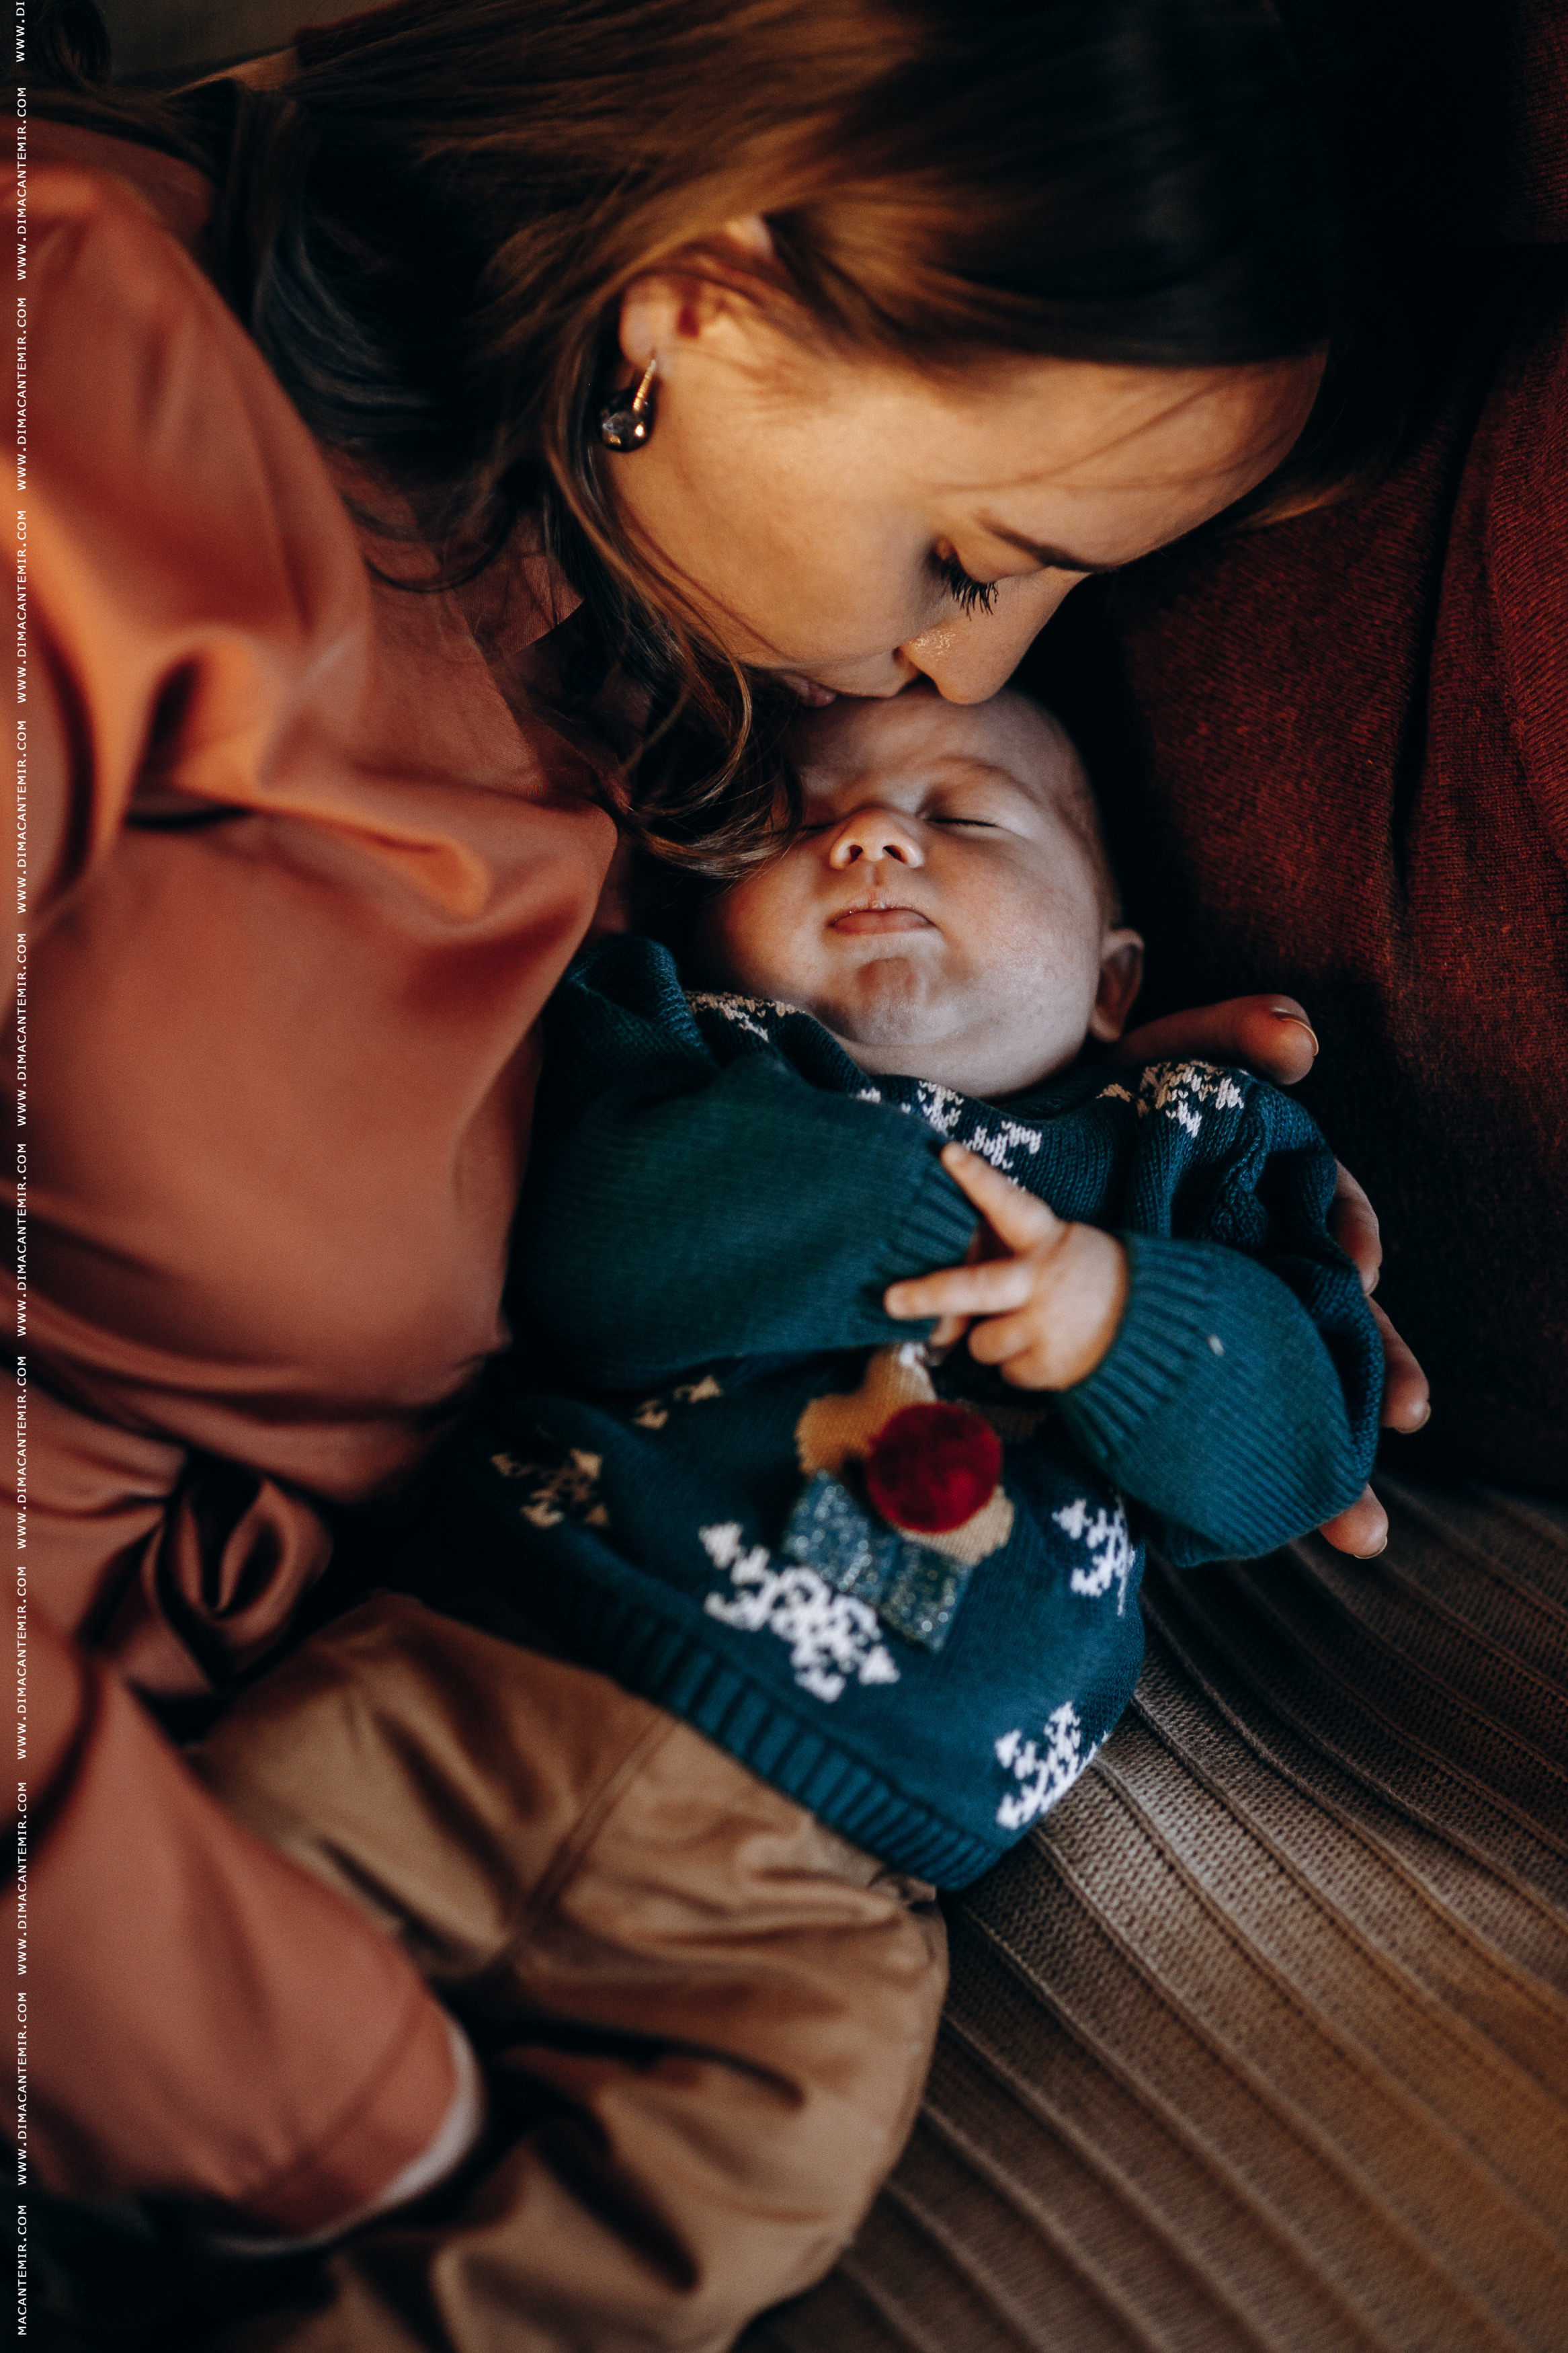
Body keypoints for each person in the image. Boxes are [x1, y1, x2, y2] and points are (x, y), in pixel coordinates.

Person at [11, 0, 1426, 2311]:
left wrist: (1039, 1131)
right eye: (971, 555)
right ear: (702, 287)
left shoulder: (628, 648)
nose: (963, 679)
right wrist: (351, 2105)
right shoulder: (89, 411)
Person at [188, 682, 1383, 2347]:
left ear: (1116, 977)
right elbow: (589, 1256)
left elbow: (1304, 1443)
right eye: (805, 823)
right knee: (169, 1955)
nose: (874, 836)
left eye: (963, 818)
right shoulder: (681, 1039)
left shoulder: (1190, 1153)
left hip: (817, 1891)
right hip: (473, 1682)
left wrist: (1128, 1313)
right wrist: (918, 1211)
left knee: (763, 2163)